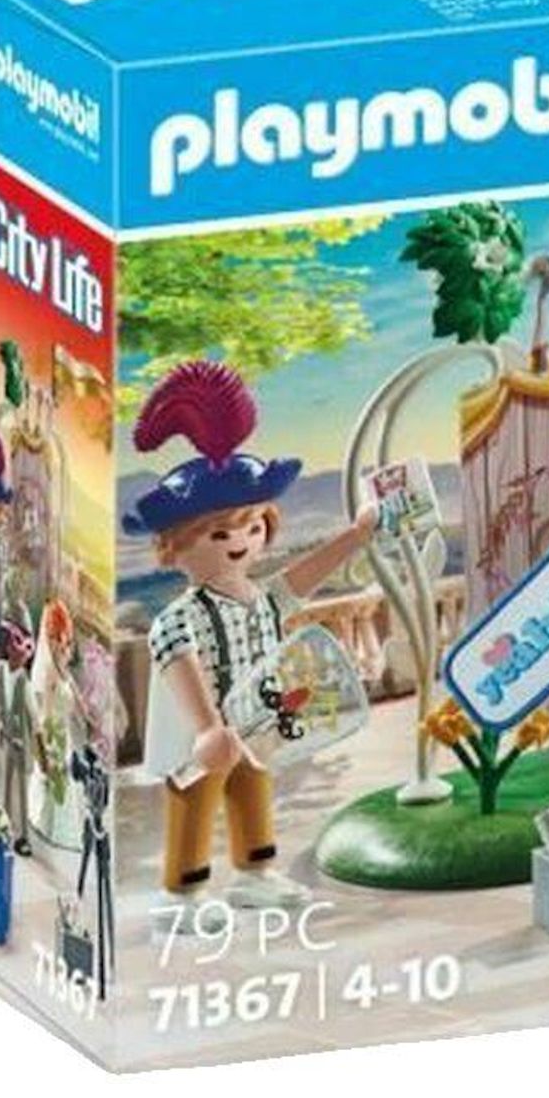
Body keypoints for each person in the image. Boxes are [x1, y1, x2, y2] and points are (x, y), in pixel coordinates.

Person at [124, 361, 377, 916]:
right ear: (175, 546)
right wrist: (206, 727)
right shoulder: (182, 617)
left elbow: (304, 578)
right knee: (196, 802)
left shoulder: (261, 598)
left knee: (253, 794)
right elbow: (180, 662)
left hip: (256, 726)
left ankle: (254, 875)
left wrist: (357, 535)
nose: (240, 540)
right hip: (208, 737)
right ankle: (184, 893)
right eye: (220, 532)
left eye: (253, 525)